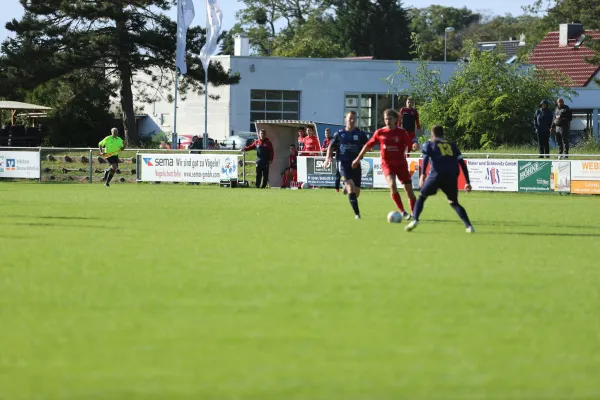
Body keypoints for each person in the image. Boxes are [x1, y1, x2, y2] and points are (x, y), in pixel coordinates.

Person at [405, 125, 474, 233]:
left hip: (436, 175)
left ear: (432, 135)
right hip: (451, 176)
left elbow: (426, 158)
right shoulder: (452, 145)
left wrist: (422, 174)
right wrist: (467, 182)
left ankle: (415, 220)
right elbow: (462, 163)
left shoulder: (430, 144)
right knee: (454, 202)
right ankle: (469, 226)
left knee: (422, 196)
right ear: (443, 134)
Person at [353, 109, 416, 220]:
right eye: (386, 119)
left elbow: (411, 145)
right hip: (387, 165)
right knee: (392, 185)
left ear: (396, 119)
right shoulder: (380, 132)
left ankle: (414, 213)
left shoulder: (402, 132)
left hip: (401, 165)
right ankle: (403, 212)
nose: (387, 121)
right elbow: (368, 145)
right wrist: (358, 159)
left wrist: (415, 147)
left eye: (390, 119)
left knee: (409, 192)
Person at [325, 111, 369, 219]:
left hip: (356, 165)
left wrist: (365, 151)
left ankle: (344, 186)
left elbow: (368, 145)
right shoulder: (339, 134)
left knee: (356, 192)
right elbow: (331, 146)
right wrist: (328, 158)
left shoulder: (360, 134)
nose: (352, 121)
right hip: (343, 164)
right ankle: (357, 214)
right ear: (346, 119)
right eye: (350, 118)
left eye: (354, 118)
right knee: (351, 187)